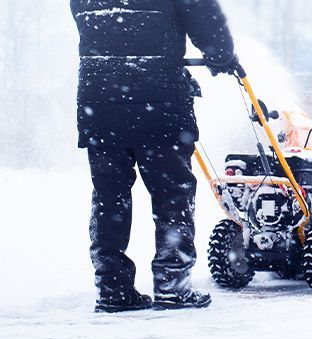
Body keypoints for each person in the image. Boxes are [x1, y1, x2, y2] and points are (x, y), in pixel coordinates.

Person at [70, 0, 238, 313]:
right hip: (159, 105)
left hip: (99, 105)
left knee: (109, 197)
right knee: (172, 195)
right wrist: (222, 56)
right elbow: (204, 18)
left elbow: (90, 21)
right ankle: (172, 284)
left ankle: (112, 288)